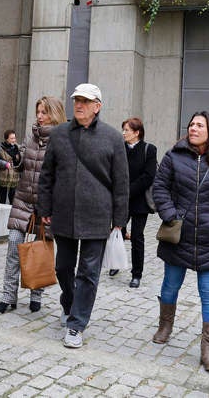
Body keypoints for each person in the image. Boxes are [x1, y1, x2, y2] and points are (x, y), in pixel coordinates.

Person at [37, 83, 129, 349]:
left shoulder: (113, 138)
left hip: (98, 215)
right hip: (64, 213)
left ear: (97, 107)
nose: (79, 105)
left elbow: (121, 182)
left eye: (86, 101)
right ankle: (69, 302)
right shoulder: (60, 133)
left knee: (88, 272)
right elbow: (47, 175)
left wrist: (119, 221)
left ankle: (76, 325)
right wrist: (44, 208)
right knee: (63, 267)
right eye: (77, 100)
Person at [150, 110, 209, 373]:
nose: (193, 128)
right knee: (170, 285)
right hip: (178, 235)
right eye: (191, 124)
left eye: (200, 125)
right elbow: (160, 188)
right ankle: (165, 325)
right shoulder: (174, 156)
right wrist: (170, 214)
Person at [0, 96, 66, 314]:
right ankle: (8, 297)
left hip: (47, 206)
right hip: (23, 200)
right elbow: (22, 164)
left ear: (54, 114)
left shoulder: (62, 140)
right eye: (38, 112)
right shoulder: (31, 135)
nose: (40, 117)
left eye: (44, 112)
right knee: (13, 245)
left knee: (41, 250)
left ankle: (36, 294)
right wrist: (16, 158)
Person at [117, 117, 157, 288]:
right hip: (121, 200)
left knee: (137, 237)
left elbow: (148, 176)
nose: (123, 133)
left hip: (140, 201)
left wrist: (128, 191)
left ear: (136, 132)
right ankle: (115, 262)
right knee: (117, 232)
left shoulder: (149, 149)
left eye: (126, 130)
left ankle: (136, 274)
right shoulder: (120, 148)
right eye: (123, 129)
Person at [0, 129, 22, 204]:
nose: (14, 140)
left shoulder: (18, 148)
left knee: (13, 200)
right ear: (6, 139)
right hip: (3, 176)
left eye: (14, 138)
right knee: (1, 199)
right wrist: (5, 164)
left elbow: (22, 159)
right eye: (11, 138)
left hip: (14, 177)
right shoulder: (1, 148)